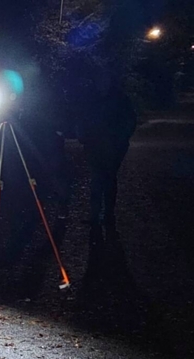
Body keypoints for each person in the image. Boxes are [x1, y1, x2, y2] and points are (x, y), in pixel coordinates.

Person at [77, 72, 137, 245]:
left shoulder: (119, 99)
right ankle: (96, 215)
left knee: (108, 179)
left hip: (113, 147)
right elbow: (82, 119)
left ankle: (107, 214)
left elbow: (129, 121)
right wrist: (83, 136)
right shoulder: (92, 99)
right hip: (95, 146)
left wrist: (120, 139)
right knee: (98, 179)